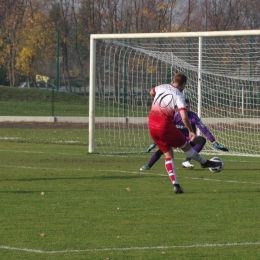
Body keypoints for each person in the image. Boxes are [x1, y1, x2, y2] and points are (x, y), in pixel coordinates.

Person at [147, 73, 221, 194]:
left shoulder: (162, 87)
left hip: (151, 123)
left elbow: (151, 92)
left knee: (168, 153)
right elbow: (184, 118)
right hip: (165, 125)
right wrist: (191, 131)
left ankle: (175, 184)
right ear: (184, 84)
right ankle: (204, 162)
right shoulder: (179, 95)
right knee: (186, 147)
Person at [141, 99, 228, 170]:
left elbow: (203, 128)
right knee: (162, 149)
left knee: (201, 140)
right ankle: (149, 165)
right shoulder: (175, 116)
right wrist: (155, 143)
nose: (186, 108)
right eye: (185, 107)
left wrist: (213, 141)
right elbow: (165, 129)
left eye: (188, 106)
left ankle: (187, 160)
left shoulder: (193, 116)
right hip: (175, 138)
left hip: (188, 140)